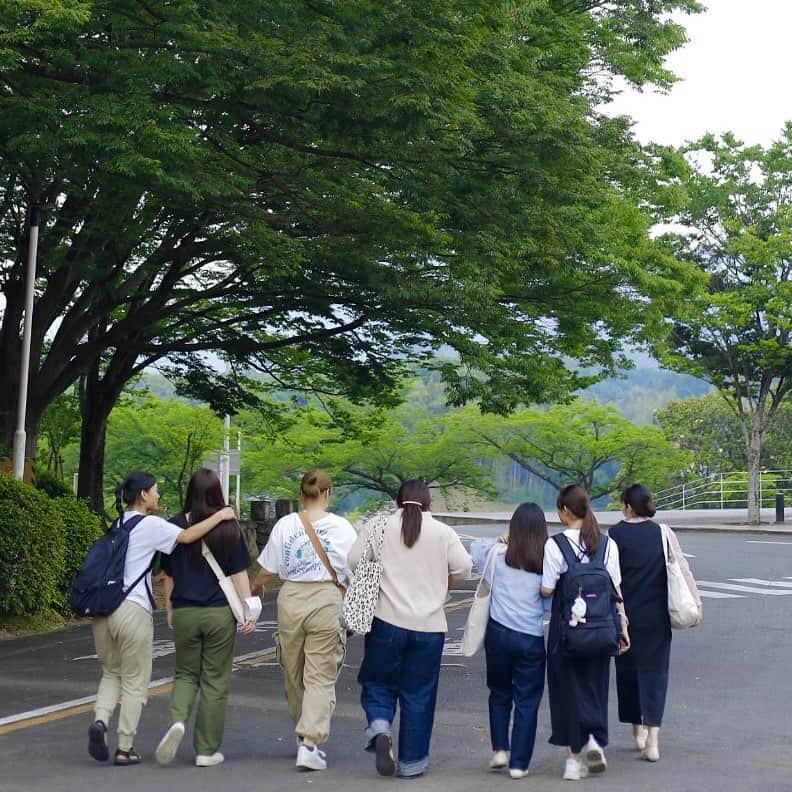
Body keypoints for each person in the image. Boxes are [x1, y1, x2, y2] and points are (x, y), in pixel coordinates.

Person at [88, 471, 236, 766]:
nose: (158, 495)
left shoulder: (117, 524)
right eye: (155, 491)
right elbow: (187, 535)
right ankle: (125, 747)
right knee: (133, 681)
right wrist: (220, 517)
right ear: (143, 495)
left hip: (102, 610)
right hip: (132, 609)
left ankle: (101, 722)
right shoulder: (150, 524)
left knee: (110, 673)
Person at [350, 479, 472, 779]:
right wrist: (444, 585)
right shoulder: (443, 532)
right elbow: (464, 568)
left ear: (397, 502)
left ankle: (379, 727)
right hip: (429, 627)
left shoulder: (379, 526)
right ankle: (412, 762)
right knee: (419, 694)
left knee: (378, 682)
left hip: (386, 622)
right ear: (428, 503)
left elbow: (354, 561)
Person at [251, 469, 356, 772]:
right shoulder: (342, 528)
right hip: (327, 598)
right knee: (320, 673)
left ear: (301, 494)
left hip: (291, 598)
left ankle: (305, 735)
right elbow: (358, 566)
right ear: (328, 493)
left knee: (293, 670)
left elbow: (268, 570)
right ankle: (309, 741)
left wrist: (255, 589)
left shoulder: (286, 525)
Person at [154, 468, 258, 769]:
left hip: (185, 610)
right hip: (218, 614)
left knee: (186, 673)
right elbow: (239, 574)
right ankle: (206, 750)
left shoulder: (174, 525)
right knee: (214, 680)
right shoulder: (228, 527)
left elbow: (168, 575)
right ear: (217, 493)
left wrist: (170, 610)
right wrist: (247, 610)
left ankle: (177, 721)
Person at [540, 485, 629, 781]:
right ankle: (594, 741)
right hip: (601, 629)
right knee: (595, 686)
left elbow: (548, 588)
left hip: (566, 632)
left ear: (565, 511)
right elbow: (617, 591)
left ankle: (572, 762)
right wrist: (622, 626)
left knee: (566, 691)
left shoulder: (555, 546)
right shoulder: (606, 544)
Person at [609, 483, 702, 762]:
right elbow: (681, 568)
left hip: (625, 616)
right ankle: (653, 740)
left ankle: (637, 731)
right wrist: (696, 604)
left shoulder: (614, 535)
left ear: (627, 505)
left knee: (628, 672)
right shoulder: (663, 533)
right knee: (655, 674)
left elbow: (610, 577)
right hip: (657, 616)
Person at [470, 503, 550, 780]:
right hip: (530, 637)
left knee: (499, 692)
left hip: (499, 635)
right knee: (527, 700)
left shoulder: (498, 555)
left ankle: (500, 748)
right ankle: (519, 763)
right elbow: (549, 602)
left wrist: (498, 539)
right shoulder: (545, 560)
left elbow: (474, 550)